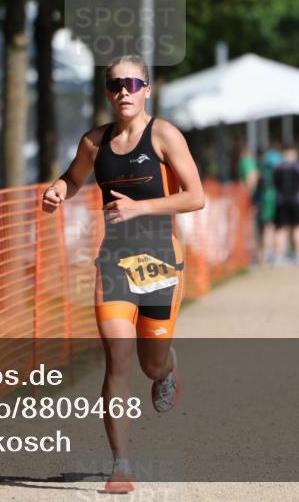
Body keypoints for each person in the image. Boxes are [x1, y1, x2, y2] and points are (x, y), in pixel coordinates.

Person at [41, 55, 205, 494]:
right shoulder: (94, 143)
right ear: (107, 92)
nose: (124, 92)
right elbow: (73, 178)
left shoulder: (165, 136)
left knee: (150, 362)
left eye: (132, 83)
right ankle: (121, 465)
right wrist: (58, 190)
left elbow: (196, 197)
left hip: (161, 263)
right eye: (115, 85)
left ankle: (167, 368)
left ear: (147, 89)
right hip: (113, 262)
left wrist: (141, 207)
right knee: (117, 357)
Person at [272, 147, 299, 266]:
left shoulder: (278, 167)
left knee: (281, 229)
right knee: (297, 229)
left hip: (281, 202)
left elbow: (274, 183)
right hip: (295, 202)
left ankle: (277, 257)